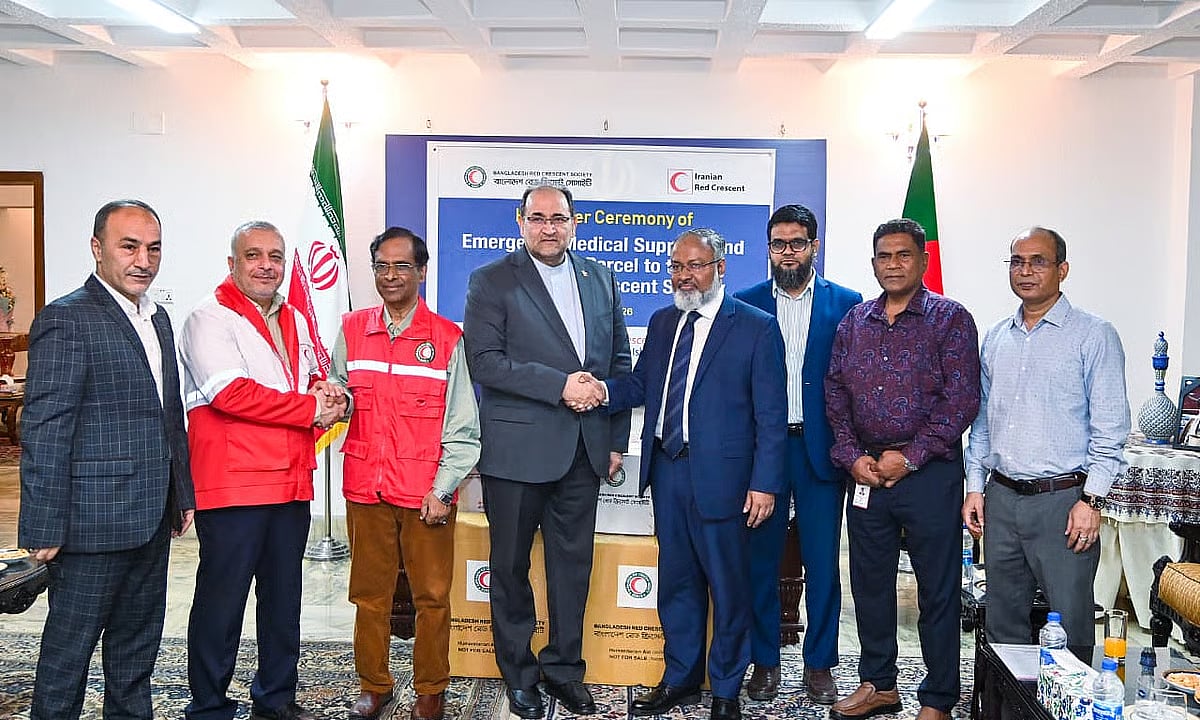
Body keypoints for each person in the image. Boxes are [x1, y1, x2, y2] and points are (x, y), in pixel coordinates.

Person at [598, 228, 787, 720]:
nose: (684, 276)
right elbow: (640, 384)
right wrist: (598, 391)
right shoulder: (663, 322)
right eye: (677, 267)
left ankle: (725, 690)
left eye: (695, 266)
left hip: (727, 483)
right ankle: (680, 679)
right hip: (668, 473)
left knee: (729, 589)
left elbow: (772, 415)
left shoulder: (755, 327)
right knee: (676, 585)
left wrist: (765, 483)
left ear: (720, 268)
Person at [18, 199, 194, 720]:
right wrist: (43, 525)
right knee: (67, 659)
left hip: (151, 519)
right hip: (89, 525)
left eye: (153, 248)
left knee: (136, 654)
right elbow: (45, 430)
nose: (144, 260)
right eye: (129, 246)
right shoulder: (65, 318)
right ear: (97, 249)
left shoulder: (158, 318)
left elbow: (169, 414)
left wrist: (181, 492)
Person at [463, 185, 632, 719]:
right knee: (510, 568)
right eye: (537, 218)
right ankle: (519, 675)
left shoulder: (601, 277)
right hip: (516, 452)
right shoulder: (491, 280)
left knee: (571, 569)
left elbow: (619, 362)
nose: (548, 228)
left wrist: (616, 439)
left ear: (574, 222)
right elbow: (485, 362)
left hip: (584, 449)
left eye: (558, 218)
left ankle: (563, 670)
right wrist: (559, 385)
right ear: (520, 222)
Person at [179, 221, 346, 720]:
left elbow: (306, 378)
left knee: (283, 601)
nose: (266, 265)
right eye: (254, 255)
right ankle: (209, 707)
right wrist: (310, 407)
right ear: (232, 263)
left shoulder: (293, 317)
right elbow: (230, 394)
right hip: (235, 486)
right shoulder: (208, 318)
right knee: (222, 604)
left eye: (275, 256)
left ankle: (275, 700)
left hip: (291, 482)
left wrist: (327, 392)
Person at [825, 218, 980, 720]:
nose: (893, 265)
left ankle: (937, 698)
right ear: (873, 263)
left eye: (903, 255)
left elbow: (962, 401)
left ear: (923, 260)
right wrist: (852, 456)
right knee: (870, 584)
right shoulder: (855, 321)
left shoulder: (951, 319)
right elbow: (835, 393)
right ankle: (879, 684)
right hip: (867, 473)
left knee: (937, 588)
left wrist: (909, 457)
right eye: (884, 256)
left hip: (929, 472)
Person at [332, 227, 480, 720]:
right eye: (382, 266)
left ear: (421, 272)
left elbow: (463, 426)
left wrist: (443, 489)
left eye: (401, 266)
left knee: (432, 598)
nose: (390, 276)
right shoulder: (353, 329)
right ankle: (374, 685)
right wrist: (331, 398)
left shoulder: (446, 338)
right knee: (369, 597)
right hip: (366, 488)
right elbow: (337, 388)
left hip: (425, 495)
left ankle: (431, 689)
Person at [963, 226, 1130, 646]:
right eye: (1017, 262)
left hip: (1064, 504)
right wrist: (975, 488)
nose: (1026, 271)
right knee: (1002, 626)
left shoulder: (1093, 335)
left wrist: (1092, 502)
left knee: (1069, 626)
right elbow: (982, 423)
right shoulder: (996, 338)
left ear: (1063, 269)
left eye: (1038, 261)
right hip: (1001, 500)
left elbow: (1111, 429)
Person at [733, 204, 862, 705]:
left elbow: (853, 381)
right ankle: (765, 661)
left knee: (823, 563)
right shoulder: (744, 303)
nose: (787, 253)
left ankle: (819, 664)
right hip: (762, 453)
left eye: (797, 243)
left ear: (814, 247)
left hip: (820, 450)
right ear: (768, 249)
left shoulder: (846, 303)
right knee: (760, 562)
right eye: (778, 244)